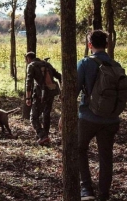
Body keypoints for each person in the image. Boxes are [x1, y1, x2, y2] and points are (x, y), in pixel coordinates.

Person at [74, 30, 120, 201]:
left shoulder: (85, 63)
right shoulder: (116, 65)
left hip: (88, 117)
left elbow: (74, 90)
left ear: (89, 45)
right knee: (106, 155)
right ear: (107, 45)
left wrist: (65, 115)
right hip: (111, 119)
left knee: (79, 149)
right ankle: (104, 194)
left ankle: (86, 190)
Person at [25, 51, 62, 146]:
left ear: (28, 59)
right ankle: (45, 135)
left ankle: (42, 136)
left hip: (40, 94)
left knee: (33, 117)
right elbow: (59, 76)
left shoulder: (31, 65)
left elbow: (29, 83)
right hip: (51, 92)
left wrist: (28, 97)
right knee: (46, 114)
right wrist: (62, 91)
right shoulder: (47, 64)